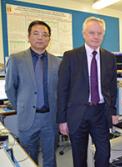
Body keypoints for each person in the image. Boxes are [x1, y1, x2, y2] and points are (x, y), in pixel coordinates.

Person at [57, 16, 118, 167]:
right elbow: (62, 89)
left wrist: (113, 112)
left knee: (104, 153)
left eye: (99, 33)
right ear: (84, 34)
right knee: (79, 157)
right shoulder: (70, 56)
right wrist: (62, 120)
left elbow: (112, 88)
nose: (96, 36)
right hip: (78, 113)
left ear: (103, 35)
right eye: (92, 33)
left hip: (100, 113)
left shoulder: (110, 57)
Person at [5, 20, 61, 167]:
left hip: (50, 118)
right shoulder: (16, 59)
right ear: (28, 36)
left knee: (50, 157)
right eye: (36, 33)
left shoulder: (57, 62)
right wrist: (23, 107)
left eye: (45, 34)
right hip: (28, 118)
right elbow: (10, 88)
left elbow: (60, 91)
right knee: (28, 157)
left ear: (49, 39)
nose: (40, 37)